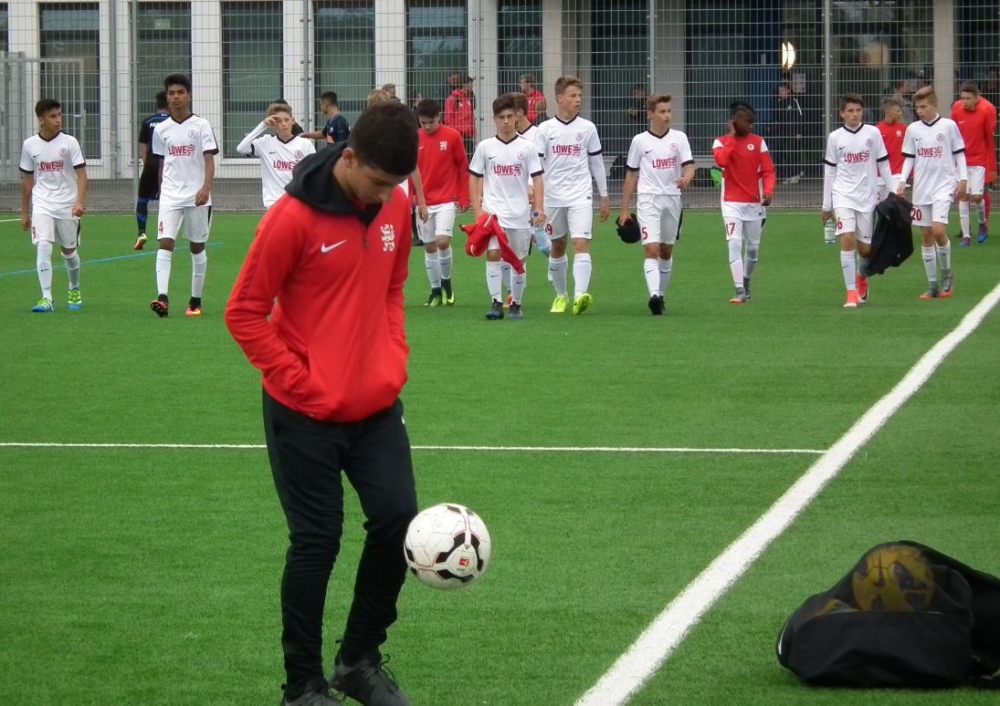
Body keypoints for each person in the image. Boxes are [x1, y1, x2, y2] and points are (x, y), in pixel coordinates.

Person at [225, 101, 419, 706]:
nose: (386, 195)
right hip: (302, 413)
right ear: (349, 157)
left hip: (375, 405)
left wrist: (392, 355)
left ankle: (359, 660)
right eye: (379, 182)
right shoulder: (290, 219)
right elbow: (244, 313)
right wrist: (302, 380)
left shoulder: (396, 203)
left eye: (396, 185)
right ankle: (303, 686)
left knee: (398, 521)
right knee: (317, 542)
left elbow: (392, 287)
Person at [534, 75, 611, 315]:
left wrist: (604, 195)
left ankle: (580, 295)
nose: (578, 99)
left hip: (581, 194)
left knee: (580, 242)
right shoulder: (545, 129)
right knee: (558, 245)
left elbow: (596, 162)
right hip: (553, 197)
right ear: (560, 98)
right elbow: (537, 166)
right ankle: (561, 295)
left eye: (579, 95)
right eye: (573, 95)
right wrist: (536, 198)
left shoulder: (588, 128)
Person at [468, 93, 545, 320]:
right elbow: (474, 177)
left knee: (518, 261)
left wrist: (539, 207)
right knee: (493, 254)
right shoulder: (485, 147)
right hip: (494, 214)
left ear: (516, 117)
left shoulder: (527, 148)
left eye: (510, 116)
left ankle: (516, 304)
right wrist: (478, 210)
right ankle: (496, 302)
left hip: (519, 214)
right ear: (494, 119)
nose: (506, 121)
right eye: (501, 117)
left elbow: (538, 179)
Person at [617, 93, 694, 316]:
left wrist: (687, 178)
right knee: (652, 249)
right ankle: (653, 296)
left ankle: (660, 294)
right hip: (648, 199)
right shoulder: (640, 141)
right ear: (650, 114)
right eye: (662, 111)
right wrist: (624, 209)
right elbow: (631, 175)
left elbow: (689, 166)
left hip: (672, 199)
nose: (667, 115)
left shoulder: (679, 138)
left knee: (666, 251)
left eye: (669, 111)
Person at [149, 73, 218, 318]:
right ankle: (162, 298)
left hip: (196, 195)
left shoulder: (201, 125)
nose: (176, 97)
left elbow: (209, 159)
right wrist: (161, 191)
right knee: (165, 242)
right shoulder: (161, 129)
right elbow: (161, 163)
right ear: (167, 97)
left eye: (180, 92)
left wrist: (206, 188)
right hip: (170, 195)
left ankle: (195, 301)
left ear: (189, 95)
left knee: (196, 246)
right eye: (172, 93)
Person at [897, 85, 967, 299]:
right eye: (917, 107)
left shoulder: (948, 126)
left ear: (935, 105)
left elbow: (959, 153)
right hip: (921, 188)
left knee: (938, 231)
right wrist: (902, 180)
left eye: (924, 106)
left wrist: (963, 179)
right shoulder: (913, 129)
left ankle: (947, 275)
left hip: (943, 186)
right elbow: (909, 158)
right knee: (926, 235)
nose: (920, 111)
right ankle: (932, 284)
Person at [821, 94, 890, 308]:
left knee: (865, 249)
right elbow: (830, 171)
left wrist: (892, 193)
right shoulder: (835, 137)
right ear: (842, 114)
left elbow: (883, 164)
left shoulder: (873, 133)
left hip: (867, 198)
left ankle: (861, 277)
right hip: (843, 196)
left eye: (858, 110)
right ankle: (851, 292)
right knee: (847, 239)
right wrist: (826, 205)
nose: (855, 114)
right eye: (850, 111)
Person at [19, 98, 87, 313]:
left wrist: (79, 201)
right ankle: (46, 297)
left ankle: (74, 288)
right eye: (53, 116)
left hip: (67, 204)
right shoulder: (30, 145)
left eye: (59, 115)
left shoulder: (70, 142)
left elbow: (82, 175)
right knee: (43, 245)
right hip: (42, 204)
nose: (58, 120)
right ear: (41, 120)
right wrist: (24, 212)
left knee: (69, 252)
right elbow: (27, 181)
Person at [712, 101, 775, 304]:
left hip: (754, 203)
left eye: (752, 122)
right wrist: (731, 137)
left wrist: (768, 191)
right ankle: (739, 289)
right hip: (731, 203)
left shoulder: (758, 142)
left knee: (753, 249)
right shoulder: (720, 142)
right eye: (747, 122)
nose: (751, 125)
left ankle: (746, 282)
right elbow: (722, 161)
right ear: (735, 122)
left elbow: (768, 170)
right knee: (734, 243)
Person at [414, 98, 469, 307]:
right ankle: (435, 291)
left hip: (447, 198)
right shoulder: (414, 138)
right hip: (424, 201)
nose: (428, 126)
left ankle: (446, 283)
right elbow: (412, 171)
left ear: (439, 117)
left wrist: (464, 196)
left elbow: (462, 167)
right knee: (429, 246)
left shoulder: (452, 136)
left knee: (442, 241)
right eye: (423, 122)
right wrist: (414, 200)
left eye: (431, 122)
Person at [236, 102, 317, 210]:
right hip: (273, 203)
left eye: (287, 120)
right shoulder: (265, 142)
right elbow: (241, 148)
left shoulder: (305, 144)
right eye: (279, 121)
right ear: (273, 124)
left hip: (297, 202)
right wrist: (263, 125)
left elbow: (314, 173)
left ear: (293, 121)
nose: (284, 124)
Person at [950, 81, 996, 244]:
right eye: (962, 98)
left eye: (968, 98)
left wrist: (992, 166)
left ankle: (983, 224)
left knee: (977, 196)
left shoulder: (985, 111)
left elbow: (989, 141)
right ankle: (966, 236)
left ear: (977, 97)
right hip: (962, 161)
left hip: (979, 161)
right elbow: (952, 136)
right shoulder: (957, 110)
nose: (965, 102)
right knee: (963, 196)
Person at [134, 91, 169, 250]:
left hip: (151, 163)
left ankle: (141, 233)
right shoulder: (172, 122)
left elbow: (143, 147)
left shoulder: (147, 121)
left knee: (142, 199)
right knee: (166, 200)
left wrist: (147, 164)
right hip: (167, 165)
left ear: (157, 104)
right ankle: (164, 233)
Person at [769, 81, 804, 184]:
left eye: (783, 90)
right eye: (780, 90)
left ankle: (795, 174)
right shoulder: (778, 103)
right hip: (782, 133)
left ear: (788, 91)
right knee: (785, 154)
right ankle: (788, 176)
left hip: (792, 132)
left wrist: (799, 132)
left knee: (792, 153)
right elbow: (776, 118)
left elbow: (800, 116)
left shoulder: (794, 101)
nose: (781, 92)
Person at [876, 96, 908, 198]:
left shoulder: (903, 128)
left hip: (898, 173)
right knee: (882, 205)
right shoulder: (877, 130)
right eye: (898, 111)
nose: (901, 113)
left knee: (896, 201)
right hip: (880, 175)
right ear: (888, 112)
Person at [444, 75, 476, 160]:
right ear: (465, 84)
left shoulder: (469, 98)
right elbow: (448, 119)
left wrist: (473, 132)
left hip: (468, 136)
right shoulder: (453, 99)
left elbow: (470, 116)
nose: (472, 86)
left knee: (470, 160)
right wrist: (453, 133)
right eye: (471, 84)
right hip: (458, 135)